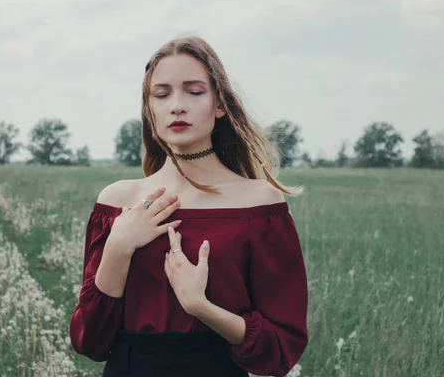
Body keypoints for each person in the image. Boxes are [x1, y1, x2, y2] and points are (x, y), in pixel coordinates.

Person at [69, 35, 309, 377]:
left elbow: (281, 349)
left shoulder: (260, 205)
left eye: (194, 91)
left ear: (220, 104)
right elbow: (89, 342)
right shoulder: (117, 202)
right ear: (150, 109)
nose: (177, 106)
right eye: (162, 94)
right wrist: (118, 248)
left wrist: (201, 307)